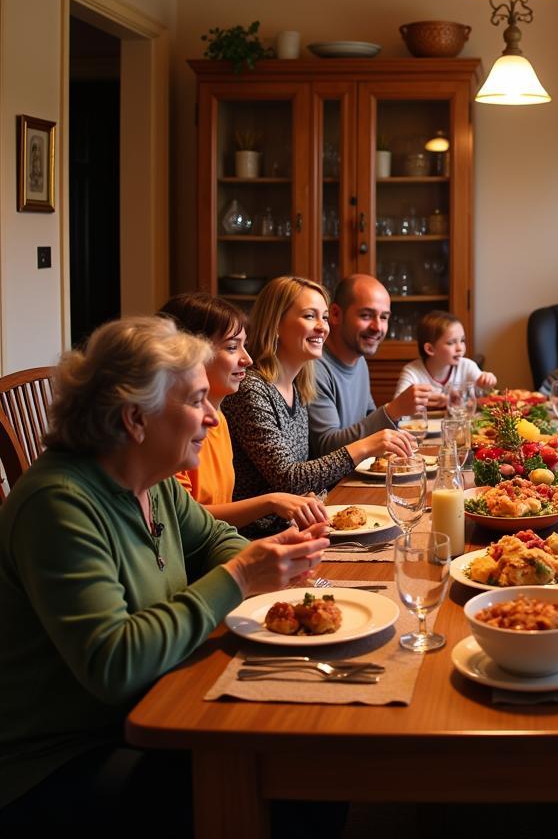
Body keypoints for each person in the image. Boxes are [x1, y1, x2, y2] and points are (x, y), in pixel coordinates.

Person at [0, 316, 329, 832]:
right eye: (196, 400)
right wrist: (241, 577)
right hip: (62, 761)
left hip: (156, 702)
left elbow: (215, 538)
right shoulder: (58, 505)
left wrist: (249, 563)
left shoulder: (152, 483)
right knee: (298, 782)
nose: (213, 419)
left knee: (309, 747)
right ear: (135, 419)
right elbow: (116, 664)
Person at [222, 276, 407, 538]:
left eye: (324, 318)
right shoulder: (251, 389)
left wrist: (313, 496)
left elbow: (301, 472)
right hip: (257, 538)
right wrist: (366, 445)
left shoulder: (296, 387)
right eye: (310, 316)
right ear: (275, 324)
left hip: (294, 527)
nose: (322, 327)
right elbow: (288, 477)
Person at [159, 292, 329, 529]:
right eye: (231, 347)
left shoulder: (219, 418)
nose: (247, 359)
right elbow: (186, 522)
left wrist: (293, 502)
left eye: (244, 346)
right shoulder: (169, 433)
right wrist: (271, 502)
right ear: (189, 355)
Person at [307, 274, 430, 456]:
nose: (377, 327)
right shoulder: (314, 368)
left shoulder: (359, 360)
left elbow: (369, 416)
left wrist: (397, 432)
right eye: (366, 315)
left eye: (384, 317)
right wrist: (393, 410)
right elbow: (326, 446)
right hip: (334, 484)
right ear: (335, 314)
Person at [394, 310, 497, 405]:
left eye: (462, 341)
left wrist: (487, 381)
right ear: (430, 349)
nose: (460, 348)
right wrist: (425, 400)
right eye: (451, 343)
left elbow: (486, 396)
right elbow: (397, 405)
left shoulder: (467, 366)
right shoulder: (412, 373)